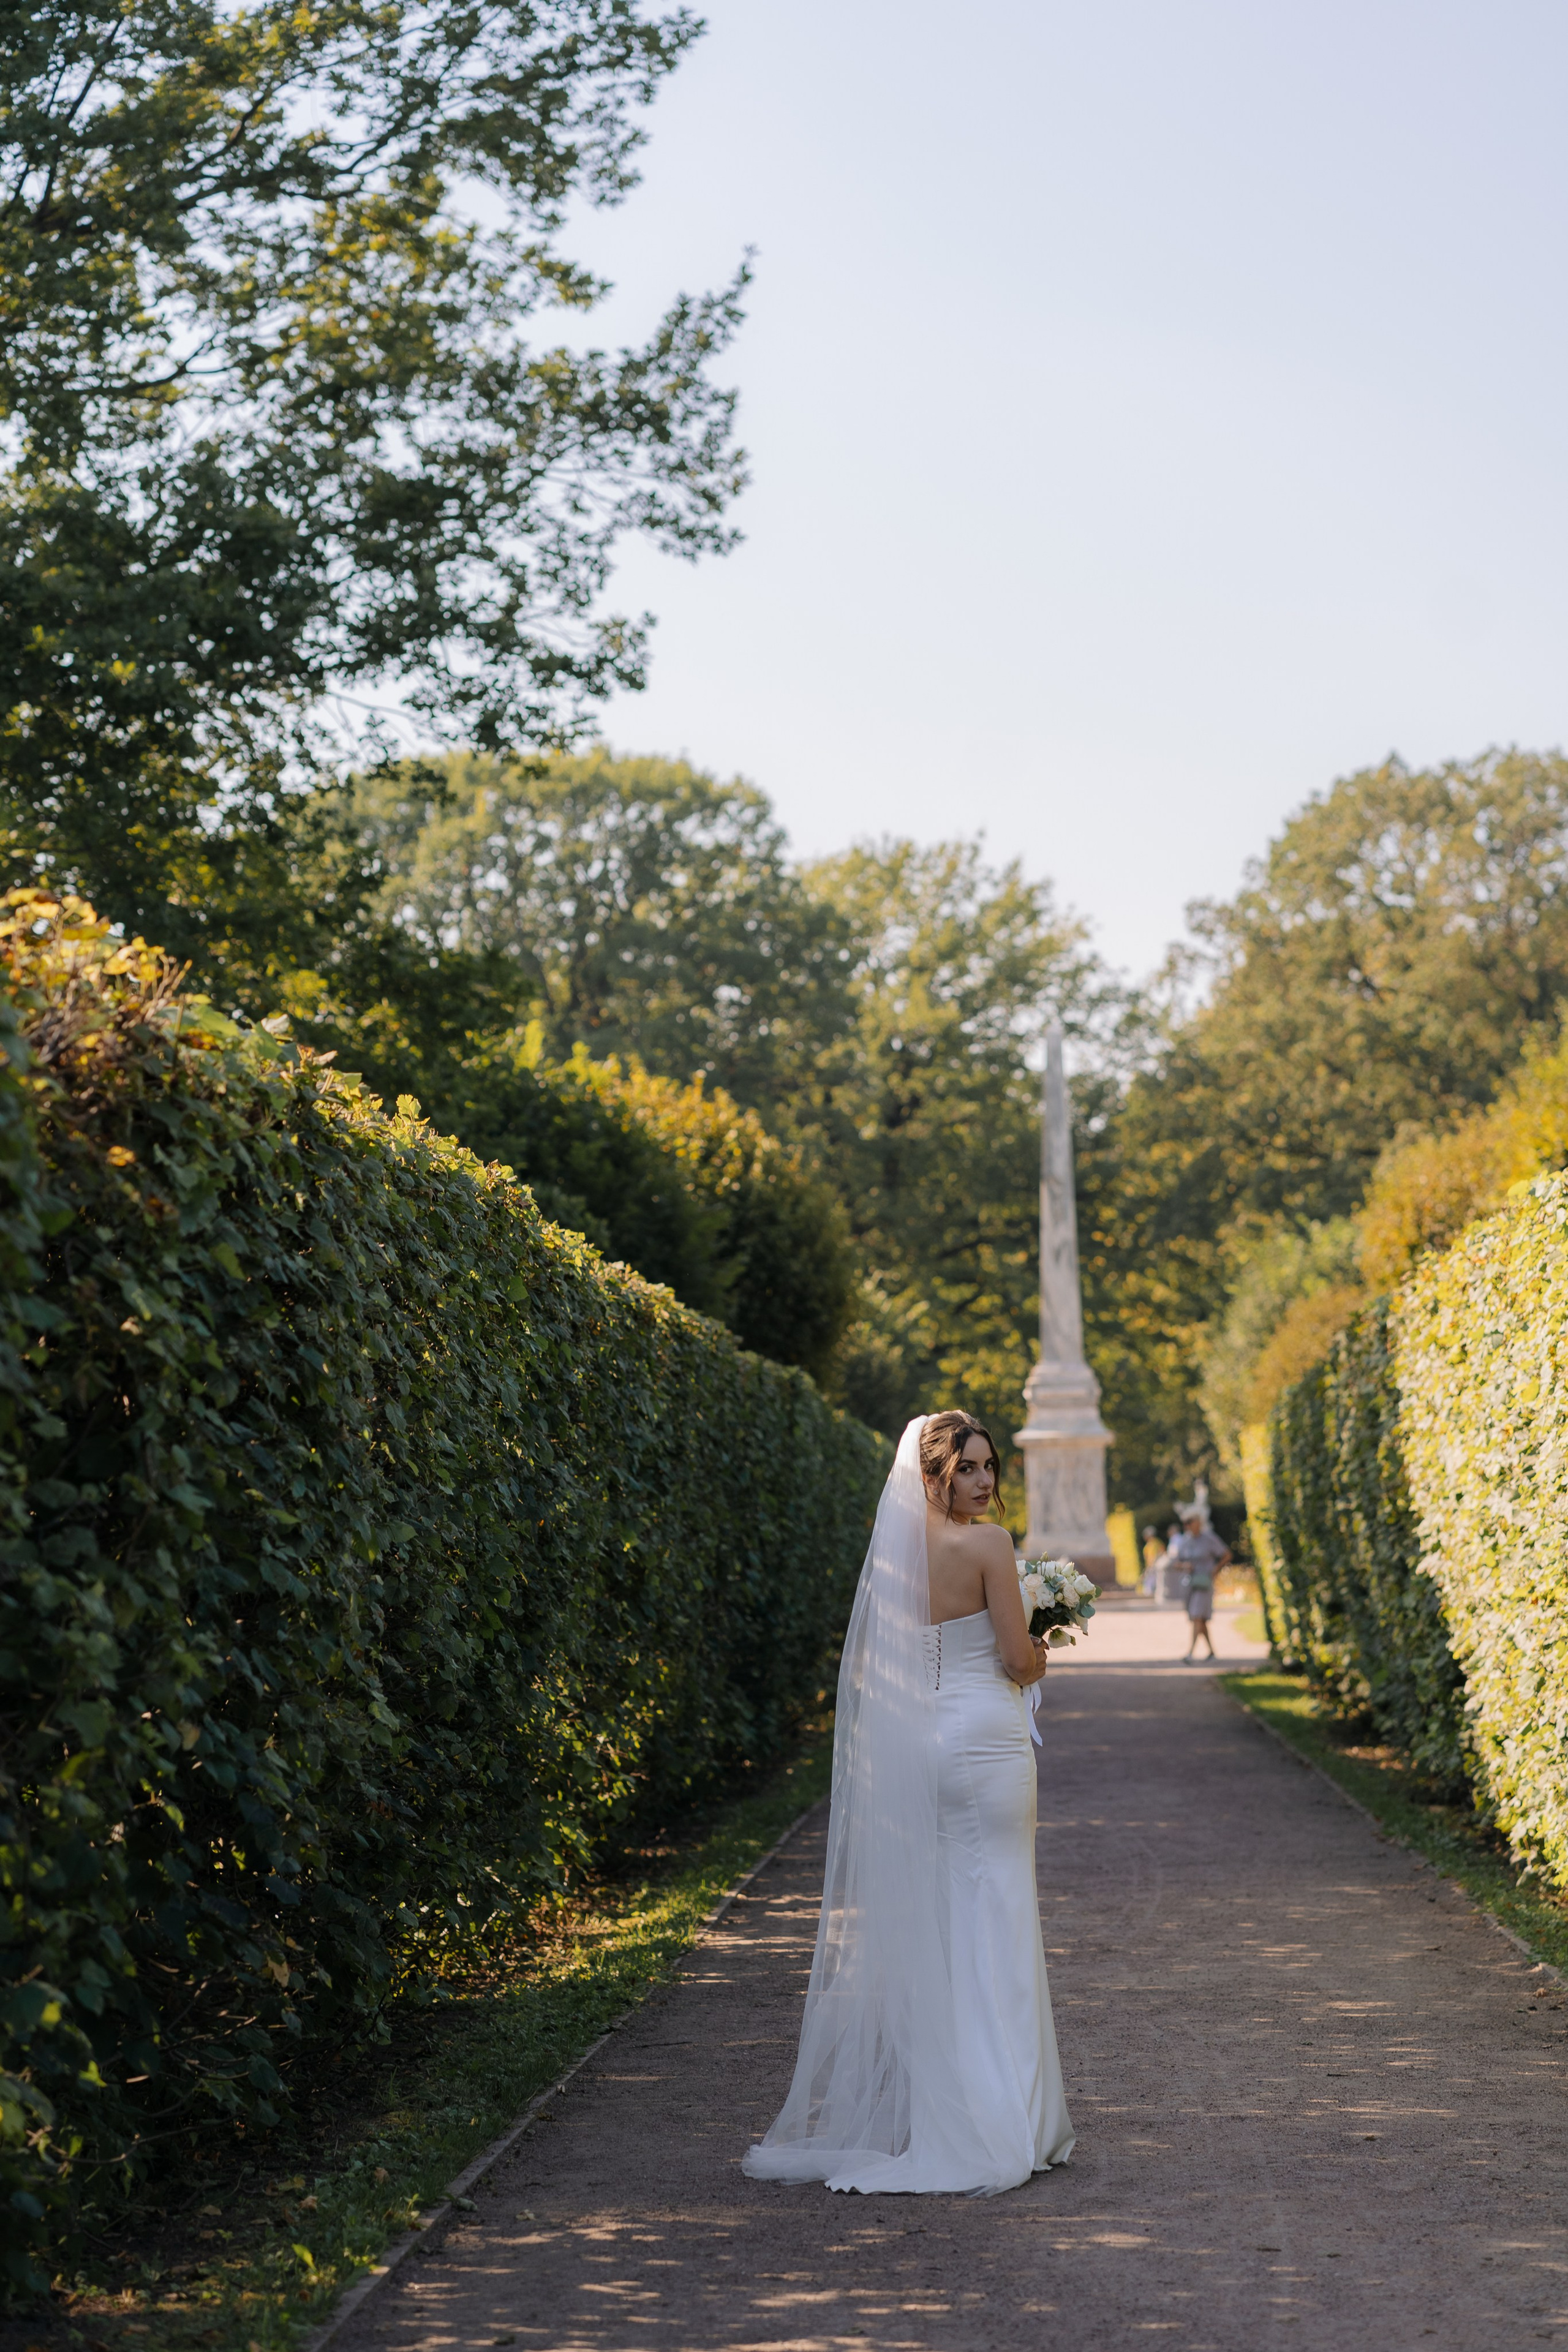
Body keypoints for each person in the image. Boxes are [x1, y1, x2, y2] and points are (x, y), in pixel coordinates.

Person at [743, 1410, 1075, 2195]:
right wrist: (1044, 1648)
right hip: (987, 1741)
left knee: (949, 1927)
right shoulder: (988, 1544)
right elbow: (1013, 1659)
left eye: (989, 1467)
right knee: (999, 1914)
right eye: (967, 1469)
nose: (985, 1481)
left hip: (925, 1742)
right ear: (932, 1473)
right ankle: (1013, 2123)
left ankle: (956, 2116)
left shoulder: (893, 1551)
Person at [1164, 1507, 1231, 1661]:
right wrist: (1185, 1566)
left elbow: (1227, 1555)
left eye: (1190, 1522)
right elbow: (1175, 1562)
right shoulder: (1185, 1541)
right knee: (1199, 1619)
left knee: (1197, 1616)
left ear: (1198, 1523)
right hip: (1190, 1584)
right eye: (1185, 1523)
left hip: (1204, 1583)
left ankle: (1190, 1653)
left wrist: (1215, 1569)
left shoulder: (1209, 1539)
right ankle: (1212, 1652)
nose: (1187, 1526)